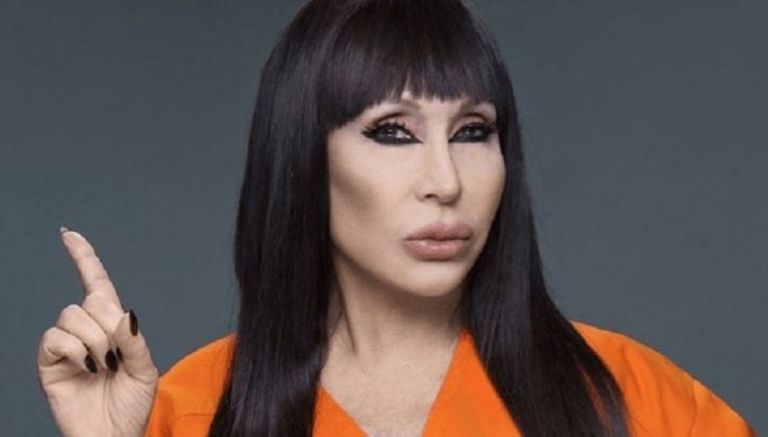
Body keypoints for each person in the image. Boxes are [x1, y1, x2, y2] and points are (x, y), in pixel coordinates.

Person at [37, 0, 757, 436]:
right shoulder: (190, 412)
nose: (445, 182)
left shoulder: (636, 400)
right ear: (303, 159)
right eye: (392, 132)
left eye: (473, 131)